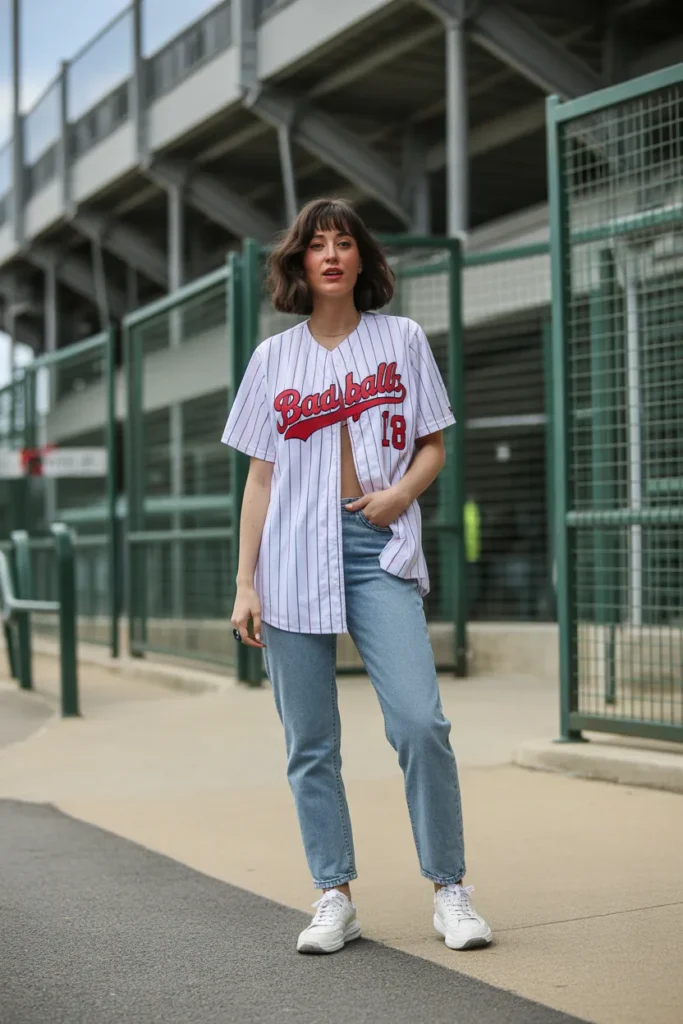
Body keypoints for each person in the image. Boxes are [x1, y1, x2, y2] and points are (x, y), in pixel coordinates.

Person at [222, 198, 492, 955]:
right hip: (290, 553)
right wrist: (245, 583)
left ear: (362, 260)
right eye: (317, 245)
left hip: (376, 547)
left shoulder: (400, 340)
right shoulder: (273, 359)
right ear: (298, 263)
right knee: (310, 740)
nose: (331, 255)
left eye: (345, 243)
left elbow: (433, 445)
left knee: (419, 723)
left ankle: (451, 889)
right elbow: (260, 482)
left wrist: (401, 493)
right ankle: (332, 894)